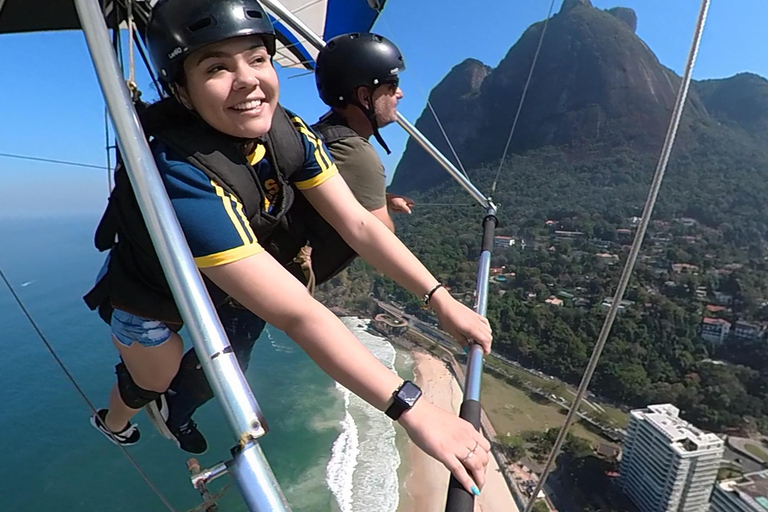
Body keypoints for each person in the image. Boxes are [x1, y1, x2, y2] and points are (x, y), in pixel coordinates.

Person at [84, 0, 492, 496]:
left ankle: (175, 404)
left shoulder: (289, 133)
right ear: (182, 93)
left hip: (215, 281)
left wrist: (441, 299)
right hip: (150, 299)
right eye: (216, 67)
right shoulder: (181, 173)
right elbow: (298, 314)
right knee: (153, 378)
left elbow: (361, 225)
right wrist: (413, 408)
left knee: (228, 356)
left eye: (257, 59)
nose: (247, 80)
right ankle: (112, 420)